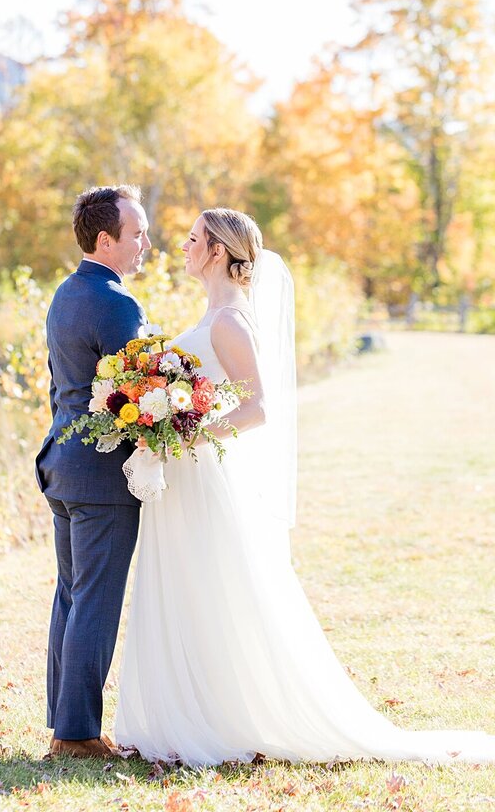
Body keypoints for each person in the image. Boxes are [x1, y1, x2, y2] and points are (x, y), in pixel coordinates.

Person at [115, 207, 495, 766]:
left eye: (194, 240)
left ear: (217, 252)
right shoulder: (215, 311)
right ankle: (188, 713)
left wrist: (185, 434)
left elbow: (257, 408)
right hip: (188, 477)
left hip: (205, 476)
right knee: (191, 588)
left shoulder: (229, 321)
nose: (185, 247)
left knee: (216, 589)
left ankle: (222, 718)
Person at [35, 184, 150, 759]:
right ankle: (76, 735)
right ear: (106, 239)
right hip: (102, 475)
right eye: (137, 234)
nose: (146, 244)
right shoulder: (116, 302)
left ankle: (65, 723)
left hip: (63, 463)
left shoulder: (64, 294)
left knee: (72, 597)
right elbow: (139, 393)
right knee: (95, 602)